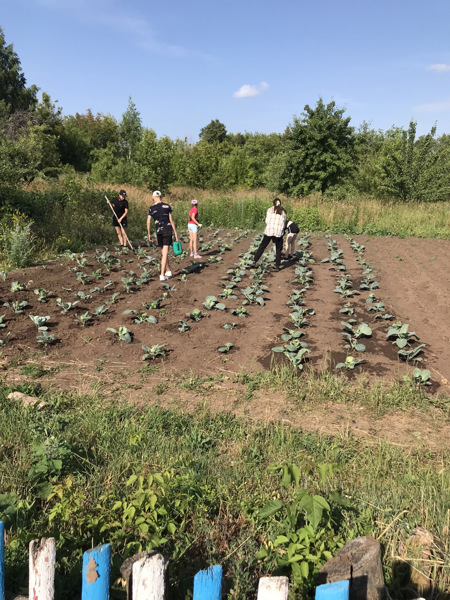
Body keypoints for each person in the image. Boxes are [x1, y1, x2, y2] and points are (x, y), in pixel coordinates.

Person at [147, 190, 179, 282]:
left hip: (158, 232)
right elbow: (171, 220)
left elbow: (148, 222)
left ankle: (168, 271)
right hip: (167, 230)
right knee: (165, 253)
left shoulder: (151, 208)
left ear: (153, 197)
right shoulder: (167, 206)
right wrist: (175, 233)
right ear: (161, 197)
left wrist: (149, 234)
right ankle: (162, 275)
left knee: (163, 252)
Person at [253, 198, 286, 271]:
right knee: (278, 249)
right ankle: (277, 266)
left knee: (262, 246)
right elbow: (283, 223)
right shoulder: (283, 211)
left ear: (273, 203)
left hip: (269, 230)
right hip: (278, 232)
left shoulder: (270, 210)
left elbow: (267, 221)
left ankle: (254, 261)